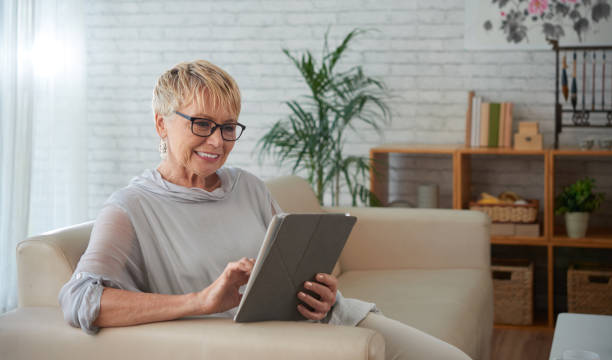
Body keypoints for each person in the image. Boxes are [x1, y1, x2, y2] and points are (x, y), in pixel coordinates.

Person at [59, 60, 470, 360]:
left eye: (228, 127)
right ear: (162, 124)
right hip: (261, 347)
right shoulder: (130, 208)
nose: (217, 142)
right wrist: (200, 301)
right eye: (201, 124)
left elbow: (288, 268)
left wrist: (321, 294)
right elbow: (81, 299)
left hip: (323, 321)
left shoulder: (248, 186)